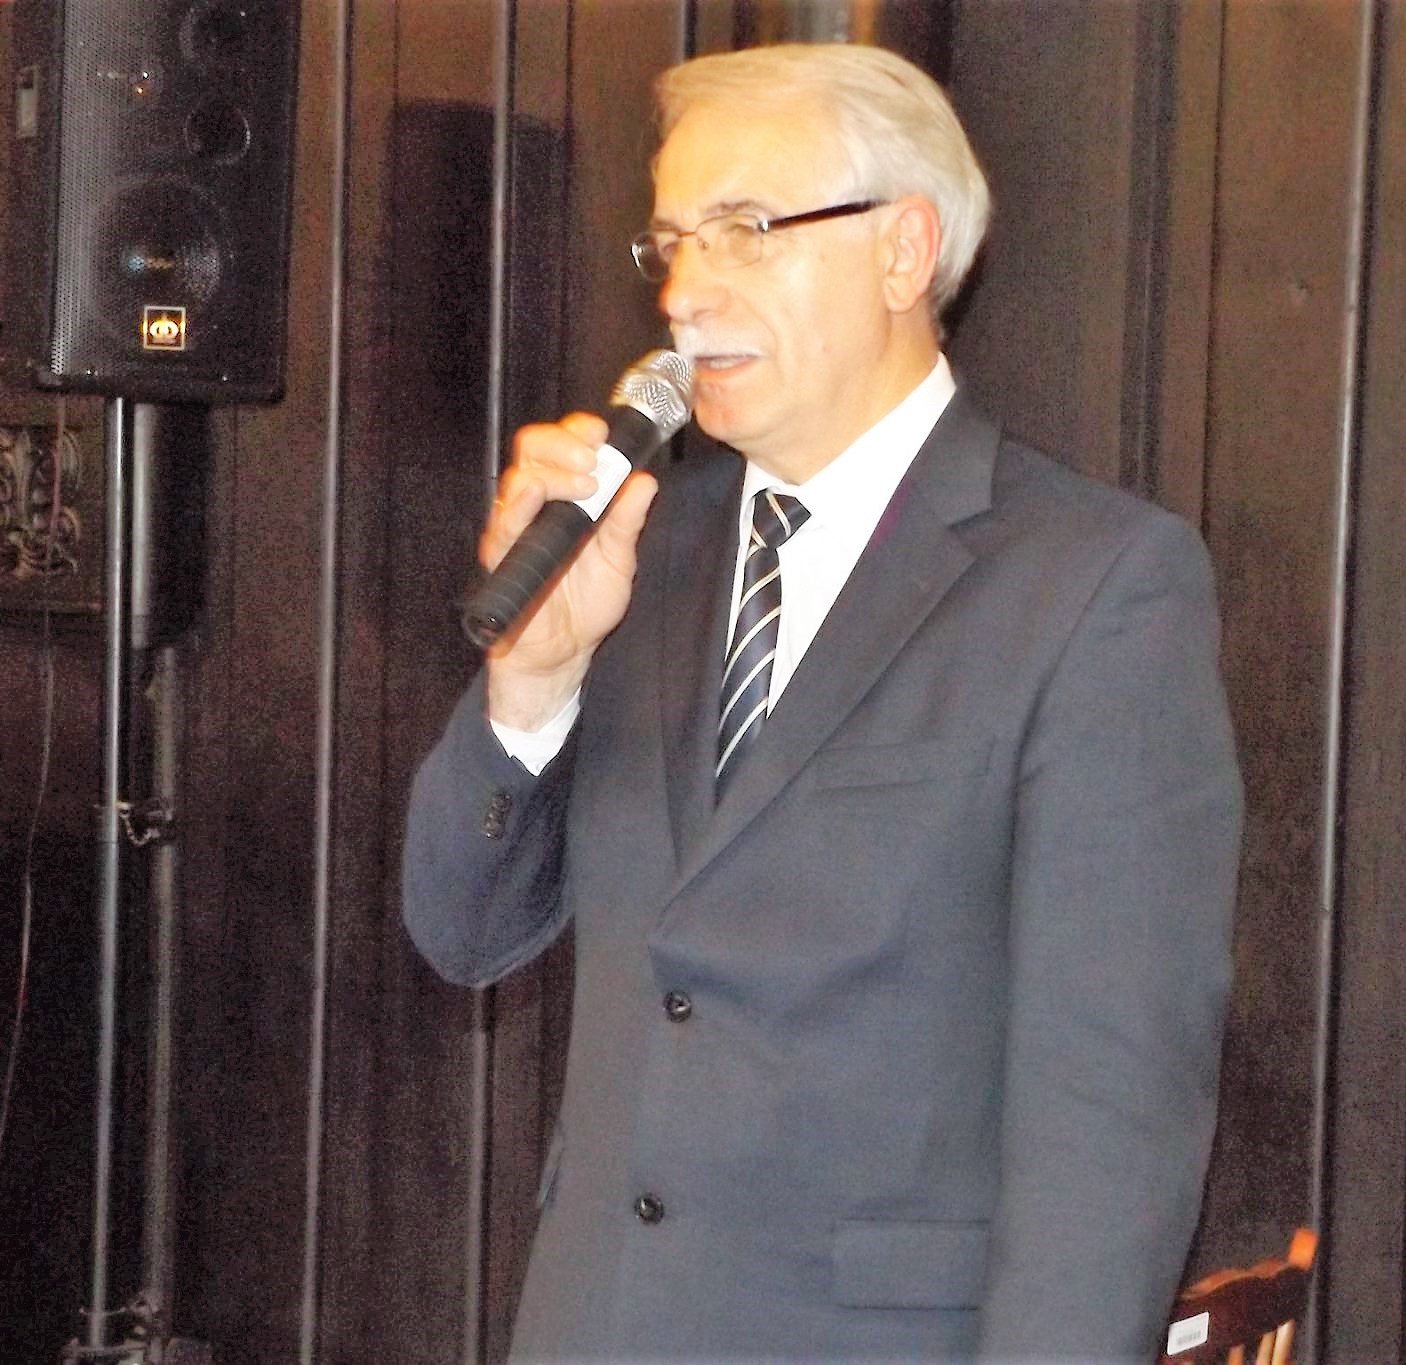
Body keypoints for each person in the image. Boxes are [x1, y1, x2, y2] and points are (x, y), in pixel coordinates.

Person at [403, 42, 1240, 1363]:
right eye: (673, 243)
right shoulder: (639, 552)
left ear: (904, 251)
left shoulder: (1091, 585)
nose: (686, 293)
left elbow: (1111, 1121)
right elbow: (463, 932)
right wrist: (536, 679)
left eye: (744, 231)